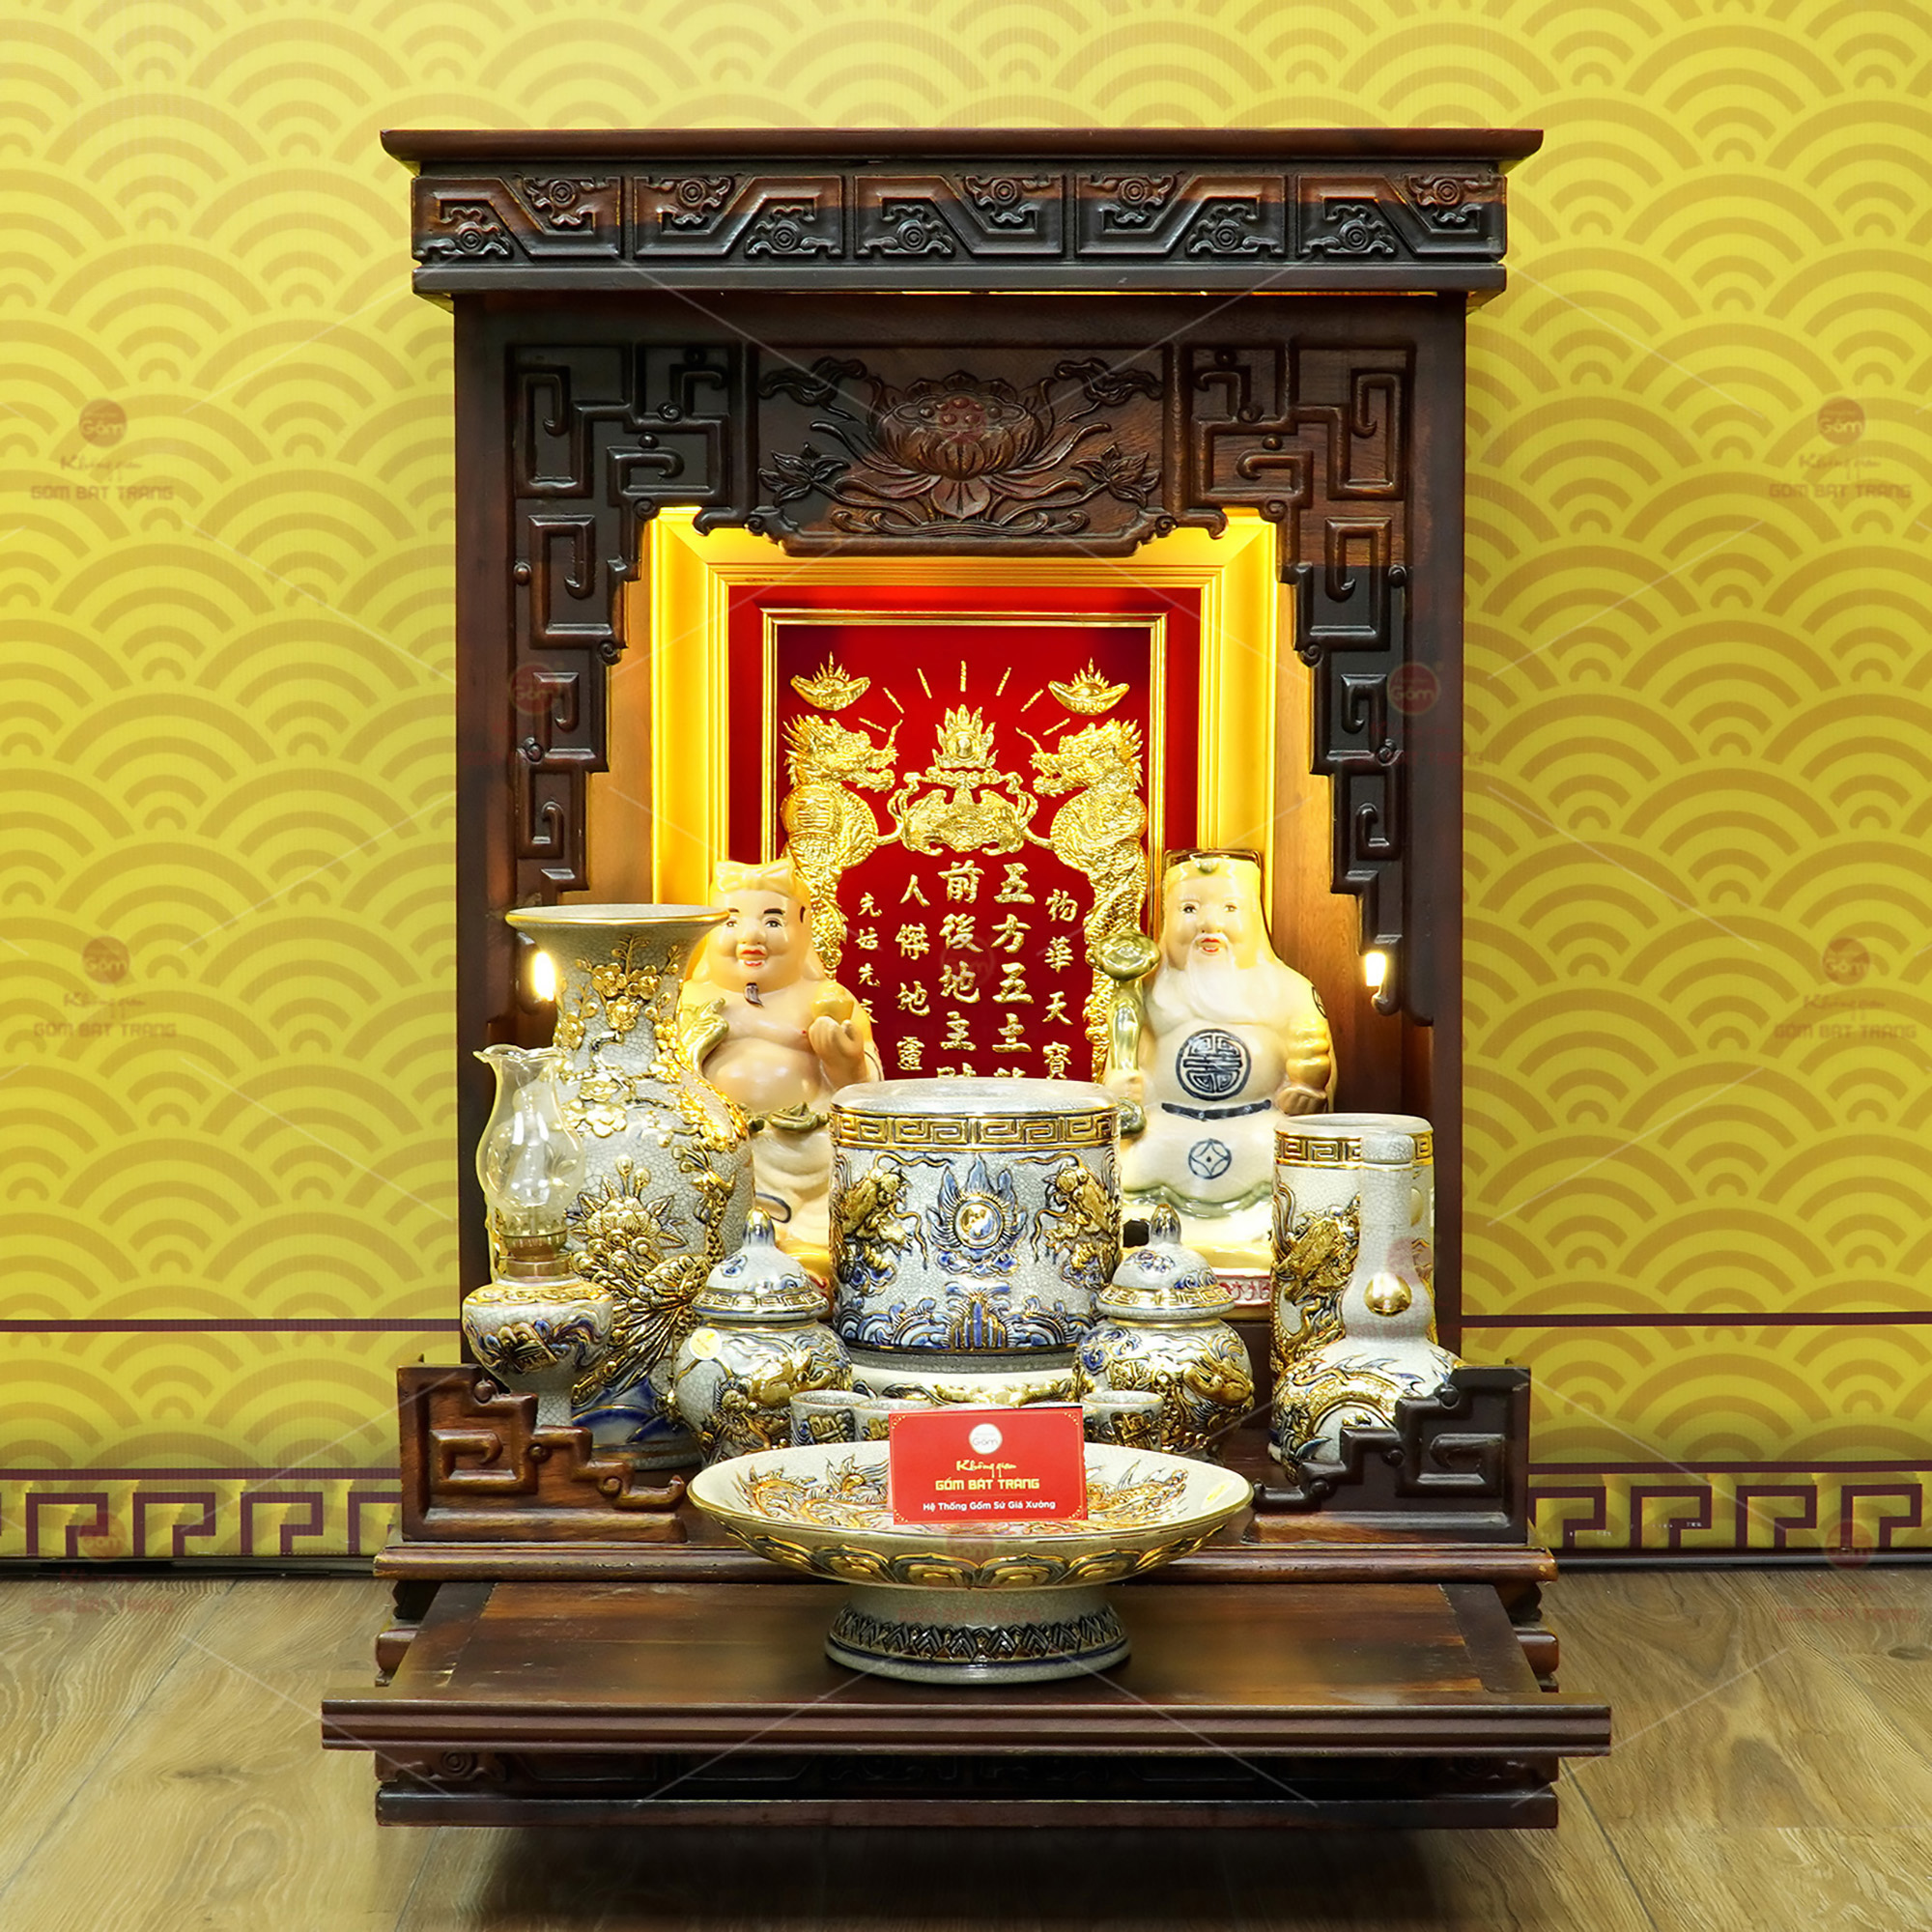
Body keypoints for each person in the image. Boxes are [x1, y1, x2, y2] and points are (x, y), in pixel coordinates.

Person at [1104, 851, 1334, 1245]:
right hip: (1167, 1127)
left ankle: (1268, 1233)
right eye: (1189, 909)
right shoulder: (1145, 991)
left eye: (1230, 908)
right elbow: (1121, 1073)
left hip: (1256, 1125)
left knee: (1279, 1157)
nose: (1209, 924)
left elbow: (1319, 1075)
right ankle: (1151, 1233)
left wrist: (1308, 1092)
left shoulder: (1291, 989)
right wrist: (1121, 1088)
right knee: (1136, 1160)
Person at [681, 859, 880, 1245]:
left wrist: (847, 1064)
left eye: (773, 922)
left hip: (805, 1154)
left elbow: (866, 1094)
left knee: (837, 1204)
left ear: (804, 930)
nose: (751, 936)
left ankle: (799, 1239)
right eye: (731, 922)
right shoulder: (686, 999)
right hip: (718, 1150)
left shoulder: (828, 1000)